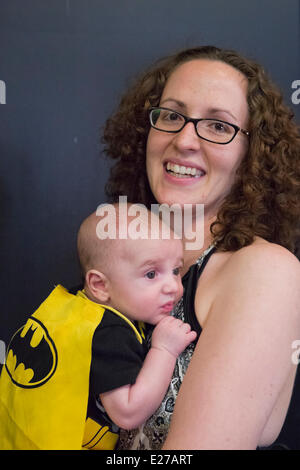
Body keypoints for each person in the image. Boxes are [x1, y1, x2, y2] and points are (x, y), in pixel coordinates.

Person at [102, 46, 300, 450]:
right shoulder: (122, 255)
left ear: (252, 153)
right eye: (172, 116)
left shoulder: (265, 271)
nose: (185, 140)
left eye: (217, 125)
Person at [0, 205, 196, 450]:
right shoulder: (107, 334)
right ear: (100, 285)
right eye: (151, 274)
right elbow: (127, 412)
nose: (173, 287)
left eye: (176, 270)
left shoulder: (74, 307)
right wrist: (165, 350)